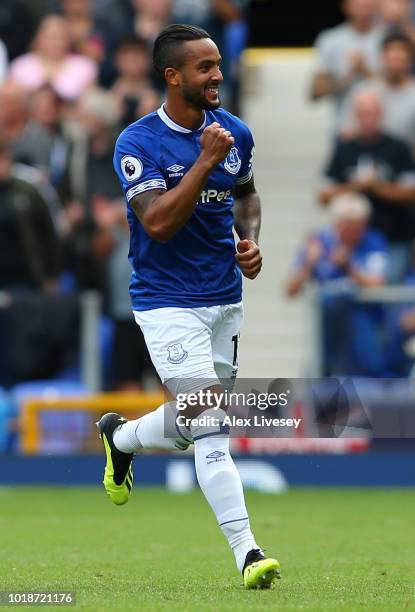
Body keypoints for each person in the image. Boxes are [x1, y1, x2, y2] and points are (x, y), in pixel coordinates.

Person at [97, 24, 280, 589]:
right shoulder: (138, 142)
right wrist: (202, 161)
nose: (218, 75)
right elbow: (157, 222)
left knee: (194, 422)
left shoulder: (235, 133)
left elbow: (245, 193)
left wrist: (247, 240)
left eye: (219, 64)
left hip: (224, 298)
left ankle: (121, 438)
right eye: (204, 68)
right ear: (173, 76)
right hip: (166, 303)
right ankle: (248, 553)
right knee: (211, 425)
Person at [286, 192, 389, 376]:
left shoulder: (373, 240)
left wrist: (348, 267)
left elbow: (378, 284)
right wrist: (309, 263)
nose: (357, 233)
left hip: (364, 322)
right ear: (338, 223)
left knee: (368, 367)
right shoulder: (318, 241)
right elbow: (290, 290)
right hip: (327, 327)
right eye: (351, 227)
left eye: (360, 226)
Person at [320, 88, 415, 282]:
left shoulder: (398, 147)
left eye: (372, 113)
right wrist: (354, 187)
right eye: (363, 113)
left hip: (393, 239)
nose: (367, 119)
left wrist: (376, 186)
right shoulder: (344, 148)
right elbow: (324, 195)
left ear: (381, 114)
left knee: (387, 295)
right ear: (355, 116)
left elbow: (410, 193)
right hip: (353, 243)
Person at [310, 0, 383, 130]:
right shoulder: (330, 40)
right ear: (345, 6)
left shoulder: (388, 37)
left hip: (384, 131)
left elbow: (399, 84)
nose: (364, 4)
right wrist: (349, 76)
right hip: (344, 129)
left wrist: (365, 71)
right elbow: (316, 92)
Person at [340, 33, 415, 147]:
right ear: (382, 57)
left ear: (410, 59)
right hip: (370, 158)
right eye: (391, 55)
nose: (395, 60)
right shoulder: (362, 92)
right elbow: (347, 134)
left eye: (400, 56)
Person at [9, 15, 97, 102]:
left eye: (59, 37)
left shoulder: (85, 66)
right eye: (49, 36)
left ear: (69, 40)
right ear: (38, 38)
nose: (54, 42)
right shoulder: (21, 65)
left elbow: (90, 101)